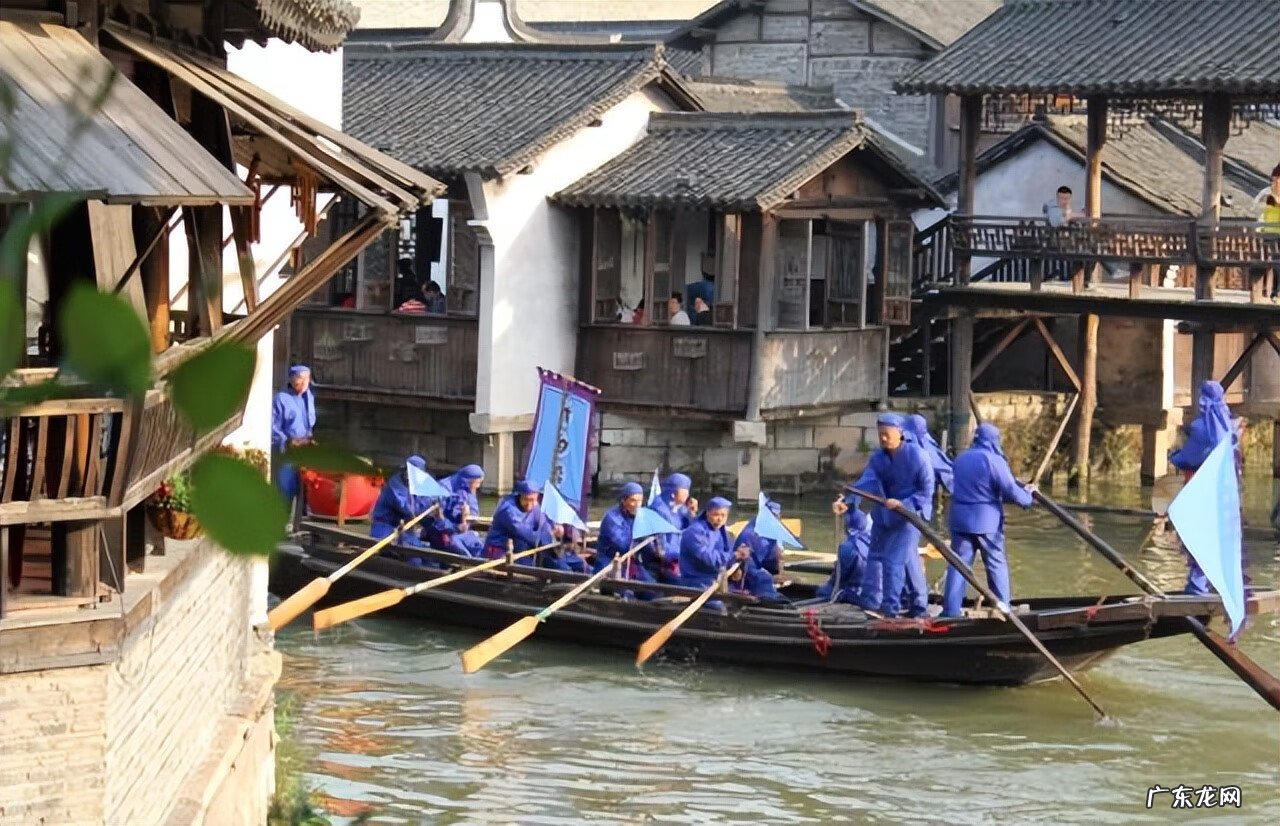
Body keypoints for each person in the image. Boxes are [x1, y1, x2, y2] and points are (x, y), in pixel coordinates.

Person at [838, 413, 935, 618]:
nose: (883, 439)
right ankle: (885, 602)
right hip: (883, 513)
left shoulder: (918, 456)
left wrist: (904, 504)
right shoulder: (879, 458)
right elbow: (867, 482)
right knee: (879, 556)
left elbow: (926, 492)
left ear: (900, 433)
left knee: (893, 561)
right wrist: (848, 502)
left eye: (887, 434)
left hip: (908, 515)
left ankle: (890, 609)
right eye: (880, 434)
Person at [942, 424, 1035, 617]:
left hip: (959, 519)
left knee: (958, 565)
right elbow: (1009, 489)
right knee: (995, 563)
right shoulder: (993, 461)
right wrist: (1028, 498)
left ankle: (950, 610)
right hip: (986, 521)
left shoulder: (960, 459)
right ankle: (1002, 607)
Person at [1169, 380, 1239, 595]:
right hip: (1224, 492)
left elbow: (1189, 457)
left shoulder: (1202, 428)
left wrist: (1174, 457)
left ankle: (1197, 586)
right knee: (1214, 537)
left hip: (1201, 490)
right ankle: (1214, 584)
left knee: (1196, 535)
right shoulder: (1228, 426)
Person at [271, 365, 316, 516]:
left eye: (307, 378)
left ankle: (301, 522)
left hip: (306, 450)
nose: (304, 382)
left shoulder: (308, 396)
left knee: (306, 487)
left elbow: (310, 423)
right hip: (288, 451)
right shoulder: (281, 399)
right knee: (286, 487)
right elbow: (273, 427)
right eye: (300, 378)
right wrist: (287, 441)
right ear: (291, 380)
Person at [678, 497, 749, 592]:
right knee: (719, 605)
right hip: (696, 581)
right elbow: (708, 558)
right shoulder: (695, 532)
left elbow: (727, 551)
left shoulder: (722, 531)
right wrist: (734, 556)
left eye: (723, 515)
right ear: (707, 513)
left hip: (716, 579)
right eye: (716, 515)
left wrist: (736, 567)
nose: (720, 519)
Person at [594, 482, 656, 586]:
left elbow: (647, 551)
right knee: (624, 592)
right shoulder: (612, 518)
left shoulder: (640, 517)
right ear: (623, 501)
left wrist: (653, 545)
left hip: (632, 564)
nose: (637, 505)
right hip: (610, 564)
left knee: (652, 589)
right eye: (633, 500)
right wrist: (641, 535)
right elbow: (623, 545)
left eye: (640, 501)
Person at [482, 479, 561, 562]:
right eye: (526, 499)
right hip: (499, 551)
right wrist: (547, 538)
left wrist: (552, 531)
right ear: (520, 496)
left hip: (520, 547)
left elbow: (543, 523)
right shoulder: (508, 510)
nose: (529, 504)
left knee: (554, 560)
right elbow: (523, 532)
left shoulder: (535, 506)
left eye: (532, 500)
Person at [731, 498, 788, 601]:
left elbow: (774, 558)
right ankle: (769, 598)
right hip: (747, 574)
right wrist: (771, 578)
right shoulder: (748, 535)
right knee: (763, 578)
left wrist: (780, 568)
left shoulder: (773, 531)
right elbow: (746, 566)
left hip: (761, 568)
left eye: (777, 517)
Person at [369, 455, 432, 549]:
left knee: (426, 557)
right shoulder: (395, 485)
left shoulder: (414, 486)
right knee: (414, 558)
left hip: (405, 530)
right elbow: (406, 509)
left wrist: (432, 504)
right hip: (385, 528)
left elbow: (421, 505)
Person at [648, 472, 698, 583]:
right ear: (673, 493)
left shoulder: (680, 508)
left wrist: (692, 513)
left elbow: (693, 530)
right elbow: (661, 549)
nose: (687, 496)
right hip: (663, 565)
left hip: (680, 557)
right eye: (684, 492)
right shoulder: (659, 510)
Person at [816, 506, 872, 604]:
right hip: (870, 591)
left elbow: (840, 577)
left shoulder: (848, 547)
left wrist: (836, 568)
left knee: (822, 591)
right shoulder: (874, 542)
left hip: (853, 591)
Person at [428, 464, 485, 556]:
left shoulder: (469, 488)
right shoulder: (443, 488)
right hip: (442, 530)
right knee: (455, 547)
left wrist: (467, 518)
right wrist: (455, 527)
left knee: (477, 545)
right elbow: (437, 517)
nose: (478, 487)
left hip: (460, 527)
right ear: (470, 480)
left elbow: (474, 513)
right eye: (477, 483)